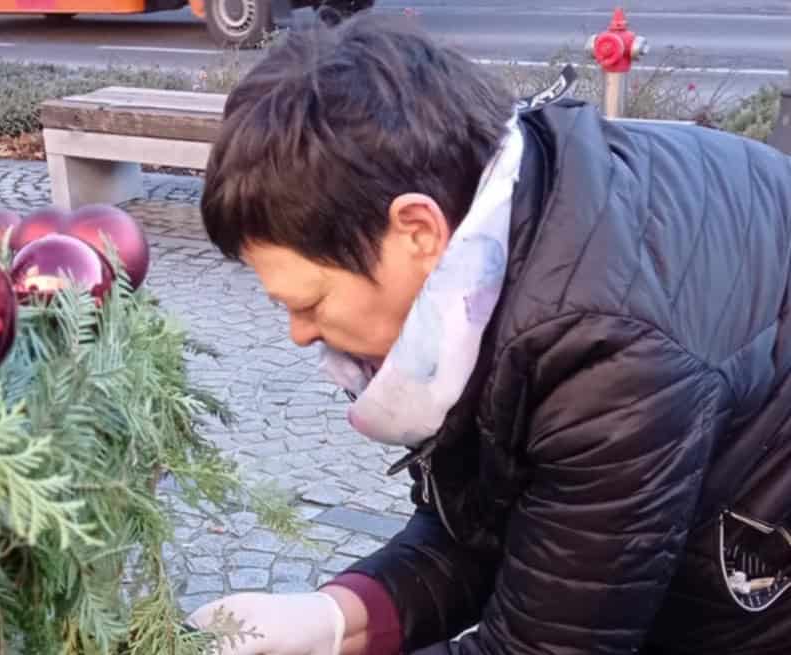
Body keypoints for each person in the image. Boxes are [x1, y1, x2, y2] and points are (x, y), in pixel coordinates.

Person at [187, 12, 791, 655]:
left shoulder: (607, 356)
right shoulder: (497, 227)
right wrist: (336, 619)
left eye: (309, 302)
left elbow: (546, 644)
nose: (298, 334)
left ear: (418, 231)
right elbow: (485, 529)